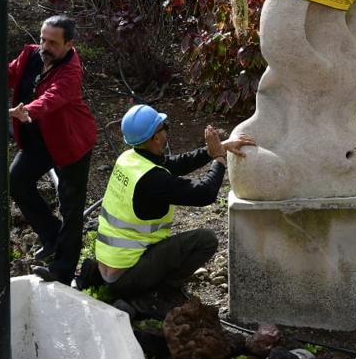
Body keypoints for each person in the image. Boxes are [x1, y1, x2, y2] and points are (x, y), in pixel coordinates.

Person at [86, 103, 254, 319]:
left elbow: (171, 164)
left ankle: (145, 288)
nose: (167, 130)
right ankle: (155, 293)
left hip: (110, 266)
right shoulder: (153, 180)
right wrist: (219, 159)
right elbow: (204, 194)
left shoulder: (129, 158)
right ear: (155, 137)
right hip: (127, 277)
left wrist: (216, 148)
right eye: (164, 126)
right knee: (206, 240)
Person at [0, 14, 97, 285]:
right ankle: (52, 236)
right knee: (16, 181)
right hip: (39, 140)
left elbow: (52, 98)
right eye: (43, 39)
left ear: (69, 45)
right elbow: (9, 72)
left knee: (71, 208)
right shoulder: (30, 54)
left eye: (53, 42)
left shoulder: (71, 71)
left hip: (71, 143)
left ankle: (62, 271)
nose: (45, 46)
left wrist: (27, 110)